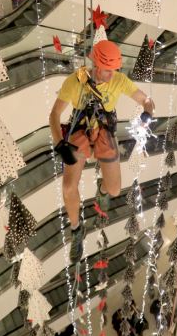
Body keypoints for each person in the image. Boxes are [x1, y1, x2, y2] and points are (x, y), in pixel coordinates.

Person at [49, 40, 155, 263]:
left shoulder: (118, 80)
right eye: (108, 70)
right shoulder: (75, 81)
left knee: (114, 190)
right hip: (80, 129)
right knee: (68, 187)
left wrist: (147, 111)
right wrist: (60, 144)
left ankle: (102, 189)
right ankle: (77, 229)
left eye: (114, 69)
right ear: (96, 66)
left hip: (104, 130)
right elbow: (54, 115)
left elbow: (145, 99)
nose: (111, 74)